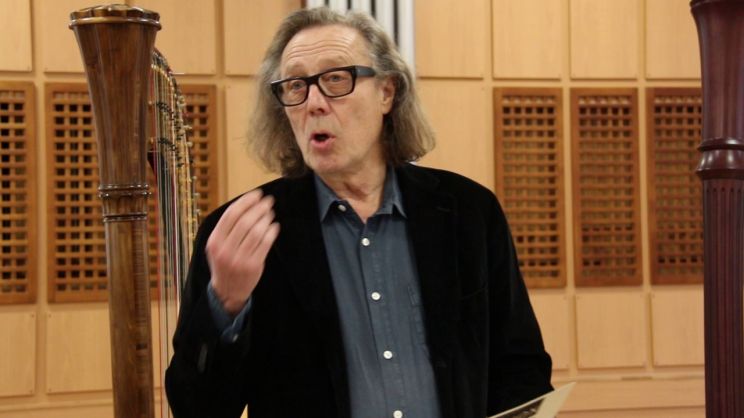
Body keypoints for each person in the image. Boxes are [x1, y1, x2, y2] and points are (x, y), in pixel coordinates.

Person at [165, 6, 552, 418]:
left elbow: (521, 369)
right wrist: (225, 303)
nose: (314, 103)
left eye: (336, 79)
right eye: (295, 85)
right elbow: (196, 408)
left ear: (387, 92)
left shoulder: (470, 212)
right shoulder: (243, 233)